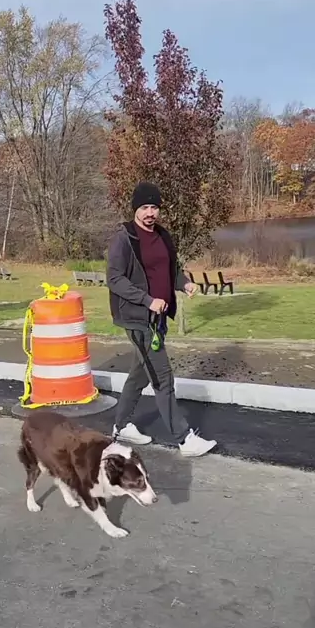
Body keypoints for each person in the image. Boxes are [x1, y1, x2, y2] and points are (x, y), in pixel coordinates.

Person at [106, 181, 217, 457]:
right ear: (135, 209)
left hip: (159, 319)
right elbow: (115, 279)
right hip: (138, 319)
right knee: (163, 377)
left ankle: (121, 426)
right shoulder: (124, 239)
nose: (150, 213)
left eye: (154, 207)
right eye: (145, 207)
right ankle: (184, 439)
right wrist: (147, 300)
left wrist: (184, 283)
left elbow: (171, 269)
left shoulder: (163, 235)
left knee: (139, 375)